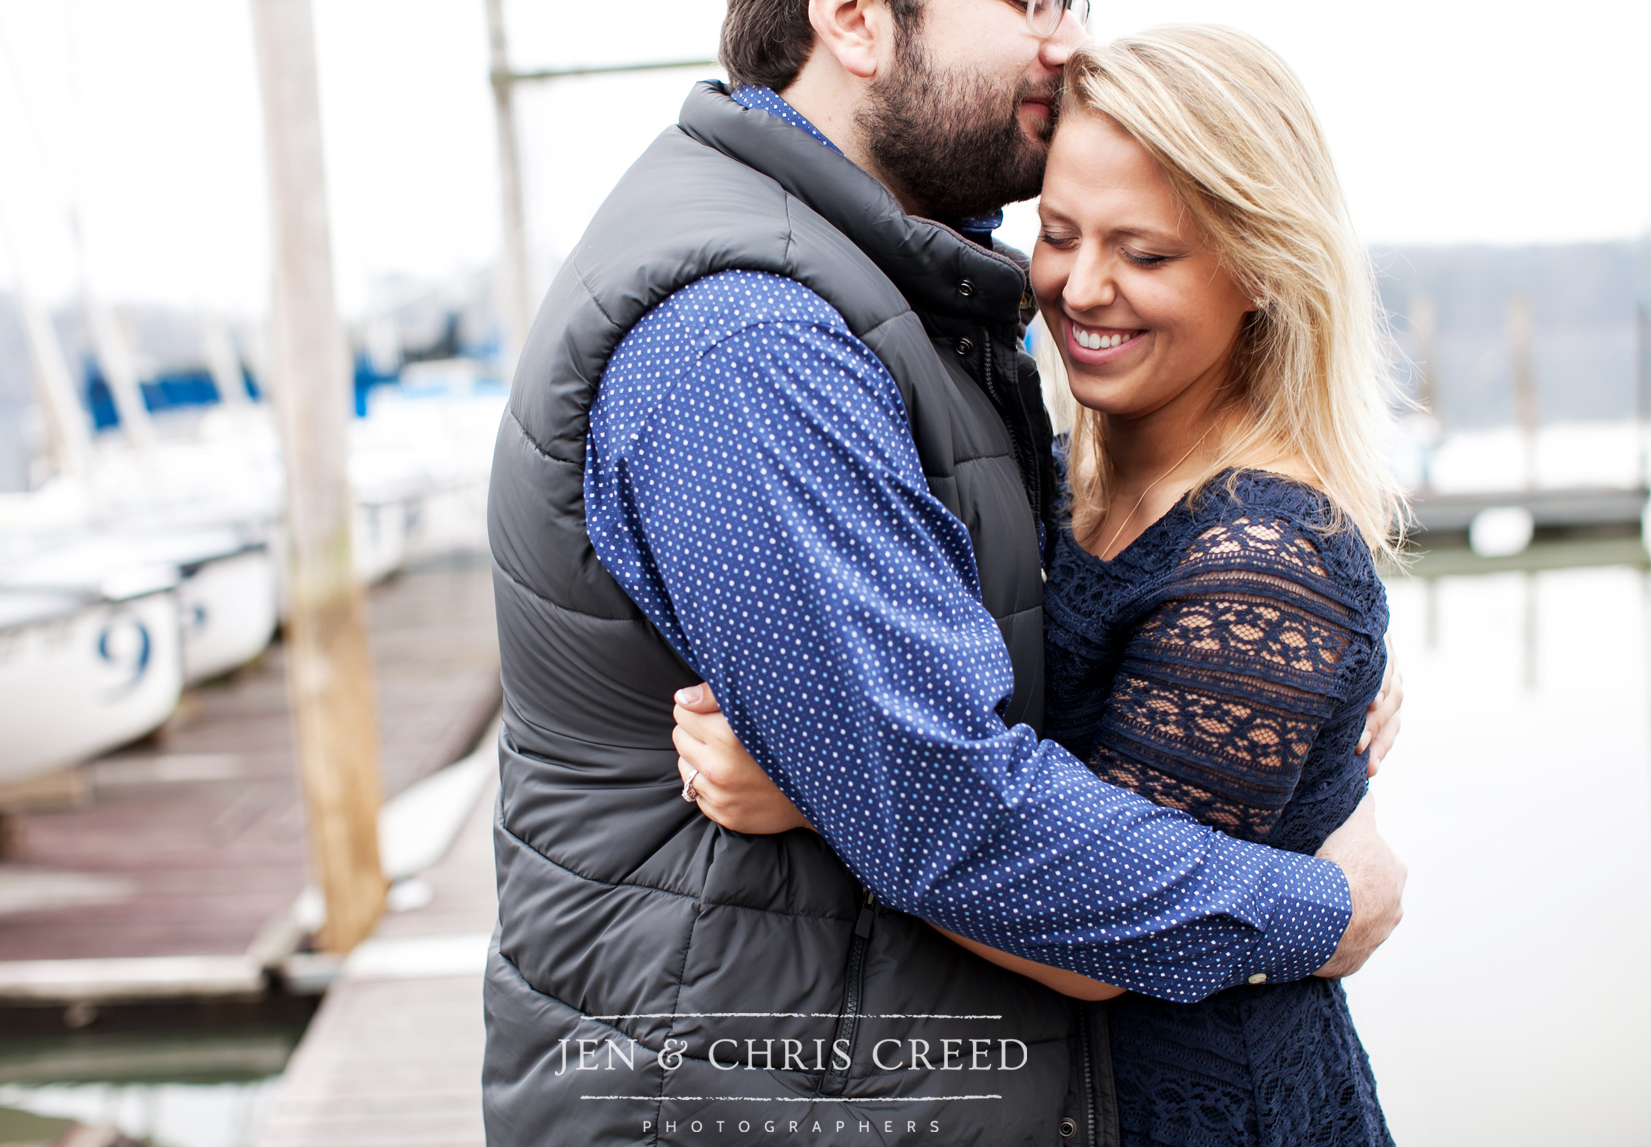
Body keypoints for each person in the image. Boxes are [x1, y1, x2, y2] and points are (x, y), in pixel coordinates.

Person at [483, 2, 1405, 1144]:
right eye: (1025, 3)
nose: (1062, 42)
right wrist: (1326, 903)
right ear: (856, 19)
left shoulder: (886, 289)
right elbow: (944, 805)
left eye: (1144, 249)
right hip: (739, 1084)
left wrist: (1300, 655)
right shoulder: (761, 342)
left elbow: (963, 753)